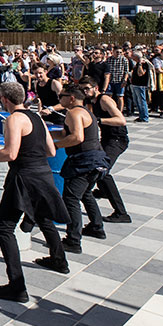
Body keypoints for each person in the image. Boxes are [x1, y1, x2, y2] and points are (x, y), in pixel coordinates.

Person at [0, 81, 69, 302]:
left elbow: (10, 153)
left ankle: (17, 285)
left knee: (3, 227)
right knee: (43, 217)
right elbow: (51, 150)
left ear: (4, 99)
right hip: (43, 173)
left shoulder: (14, 119)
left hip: (24, 177)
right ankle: (60, 260)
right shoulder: (37, 118)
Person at [52, 85, 108, 254]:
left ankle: (73, 240)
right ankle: (97, 226)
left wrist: (54, 147)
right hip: (96, 159)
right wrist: (46, 135)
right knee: (85, 194)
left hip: (84, 161)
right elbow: (65, 133)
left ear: (71, 98)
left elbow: (77, 137)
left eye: (62, 95)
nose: (59, 98)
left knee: (70, 198)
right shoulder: (85, 111)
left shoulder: (74, 113)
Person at [78, 77, 131, 223]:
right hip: (106, 139)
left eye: (87, 88)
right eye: (82, 89)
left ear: (95, 88)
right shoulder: (90, 102)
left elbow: (121, 120)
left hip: (117, 140)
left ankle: (121, 213)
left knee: (103, 172)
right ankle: (103, 190)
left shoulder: (104, 100)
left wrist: (99, 120)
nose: (85, 92)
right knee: (98, 169)